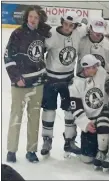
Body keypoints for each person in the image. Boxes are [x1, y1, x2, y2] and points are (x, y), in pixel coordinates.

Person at [4, 5, 50, 163]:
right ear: (26, 17)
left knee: (34, 117)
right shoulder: (17, 33)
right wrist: (16, 77)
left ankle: (31, 150)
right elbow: (8, 56)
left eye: (36, 17)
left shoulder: (42, 33)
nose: (33, 20)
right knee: (16, 116)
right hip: (21, 83)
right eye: (30, 17)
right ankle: (11, 150)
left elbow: (50, 36)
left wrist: (42, 24)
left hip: (38, 82)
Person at [41, 11, 87, 157]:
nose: (67, 27)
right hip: (51, 79)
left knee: (70, 110)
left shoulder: (79, 32)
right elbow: (40, 52)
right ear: (61, 22)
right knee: (49, 110)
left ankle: (70, 140)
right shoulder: (52, 34)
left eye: (71, 25)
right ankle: (47, 139)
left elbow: (92, 26)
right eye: (65, 24)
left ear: (75, 25)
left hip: (68, 79)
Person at [68, 54, 109, 167]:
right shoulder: (75, 83)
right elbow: (75, 107)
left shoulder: (100, 73)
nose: (96, 68)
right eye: (93, 67)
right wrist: (86, 124)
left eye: (96, 66)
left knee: (104, 131)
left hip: (102, 113)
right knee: (87, 159)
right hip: (89, 120)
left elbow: (105, 70)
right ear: (86, 68)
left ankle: (108, 150)